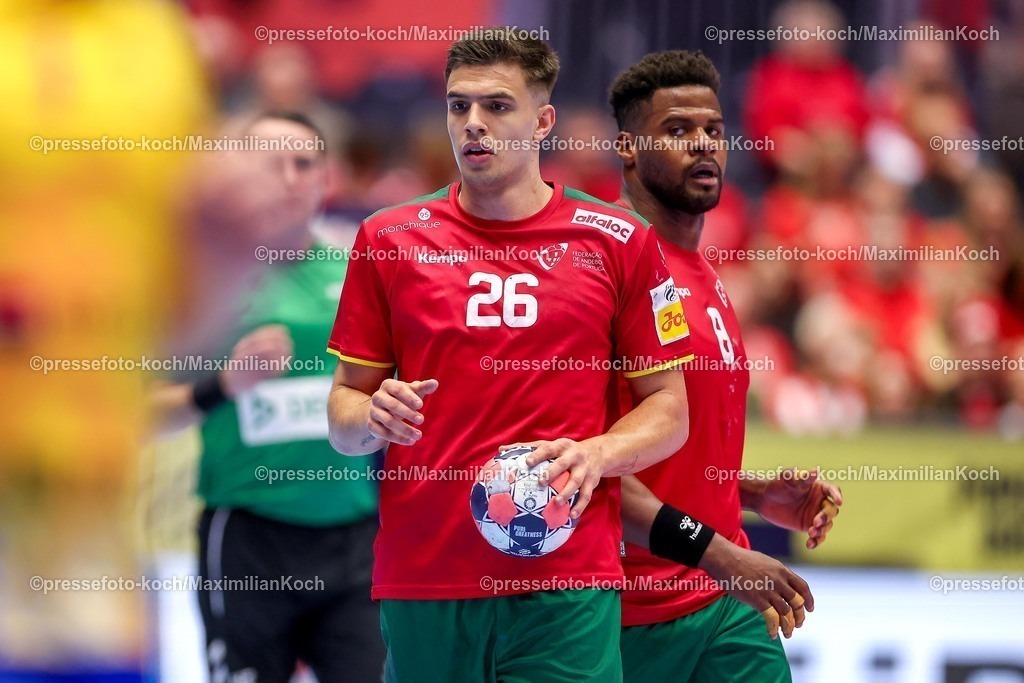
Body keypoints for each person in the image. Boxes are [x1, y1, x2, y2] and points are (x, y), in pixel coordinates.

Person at [326, 29, 692, 683]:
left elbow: (669, 409)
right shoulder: (388, 238)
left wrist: (597, 454)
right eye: (457, 106)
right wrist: (370, 415)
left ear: (542, 119)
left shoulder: (620, 241)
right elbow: (343, 413)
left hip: (566, 580)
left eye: (496, 106)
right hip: (425, 583)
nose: (473, 124)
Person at [609, 51, 844, 682]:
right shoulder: (602, 271)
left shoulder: (704, 271)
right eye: (678, 130)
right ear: (628, 147)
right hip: (626, 617)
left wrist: (751, 493)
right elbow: (587, 470)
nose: (703, 144)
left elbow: (660, 456)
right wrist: (719, 555)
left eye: (713, 129)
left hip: (722, 605)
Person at [151, 112, 384, 683]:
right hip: (248, 541)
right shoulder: (200, 285)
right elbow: (139, 415)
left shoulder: (361, 270)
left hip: (354, 538)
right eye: (267, 163)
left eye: (303, 163)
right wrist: (224, 384)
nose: (287, 178)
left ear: (327, 177)